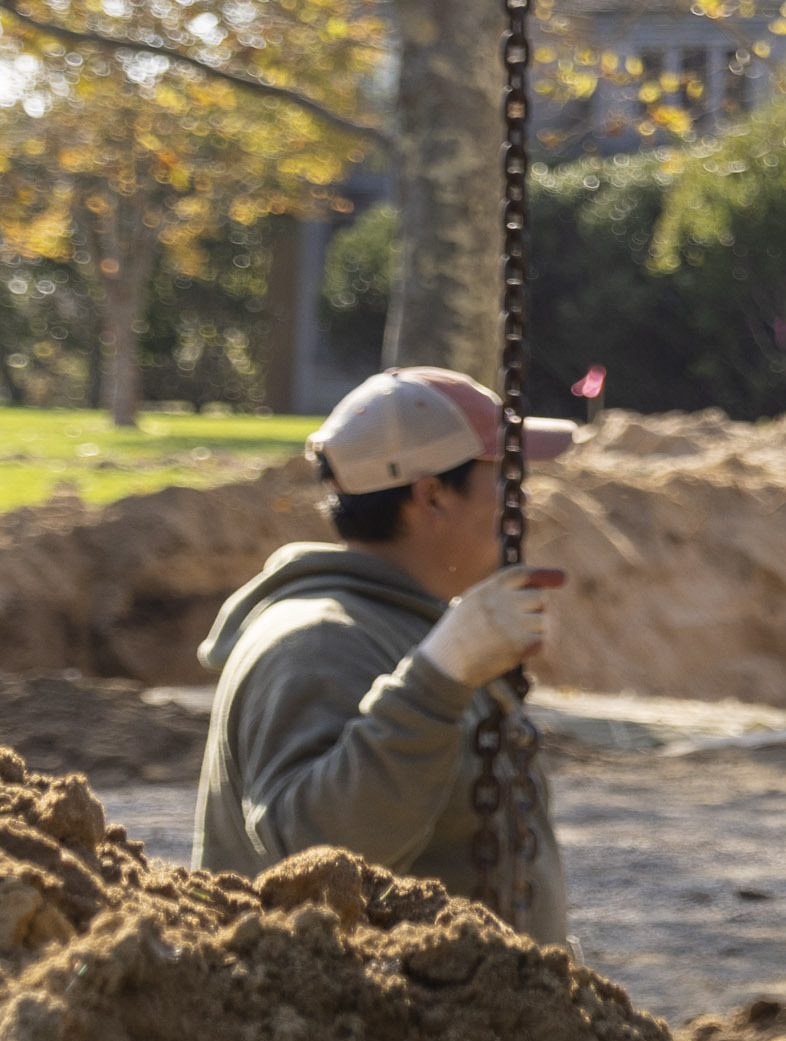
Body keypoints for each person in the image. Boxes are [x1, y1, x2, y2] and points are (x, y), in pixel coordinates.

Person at [193, 366, 577, 941]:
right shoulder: (313, 640)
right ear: (432, 495)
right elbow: (313, 858)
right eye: (509, 484)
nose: (526, 510)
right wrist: (441, 674)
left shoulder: (394, 624)